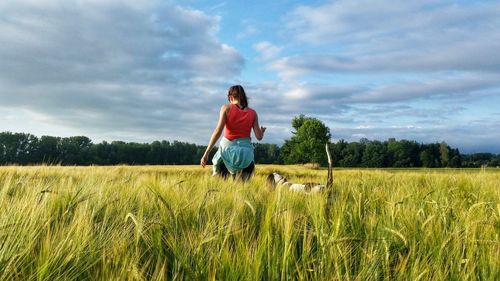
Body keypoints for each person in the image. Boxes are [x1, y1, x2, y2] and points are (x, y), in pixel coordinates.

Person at [200, 85, 266, 181]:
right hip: (246, 156)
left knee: (223, 190)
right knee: (244, 191)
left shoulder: (226, 108)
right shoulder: (253, 113)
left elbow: (218, 131)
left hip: (227, 154)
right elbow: (259, 137)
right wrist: (262, 132)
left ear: (230, 97)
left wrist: (206, 153)